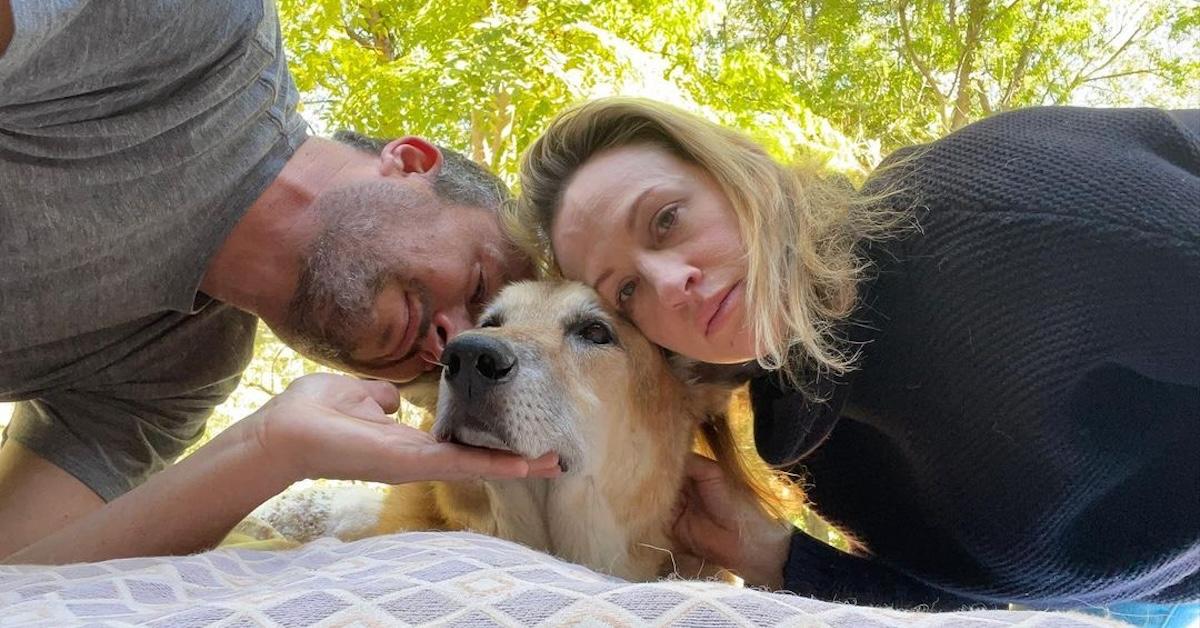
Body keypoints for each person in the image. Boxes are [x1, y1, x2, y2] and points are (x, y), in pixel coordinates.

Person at [507, 97, 1199, 612]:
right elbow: (963, 610)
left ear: (739, 171)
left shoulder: (991, 216)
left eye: (666, 218)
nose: (670, 285)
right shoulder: (808, 435)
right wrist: (772, 553)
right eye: (625, 292)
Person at [0, 0, 559, 564]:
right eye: (480, 287)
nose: (453, 345)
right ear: (411, 162)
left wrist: (272, 448)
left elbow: (23, 576)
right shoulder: (207, 39)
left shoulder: (175, 378)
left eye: (446, 374)